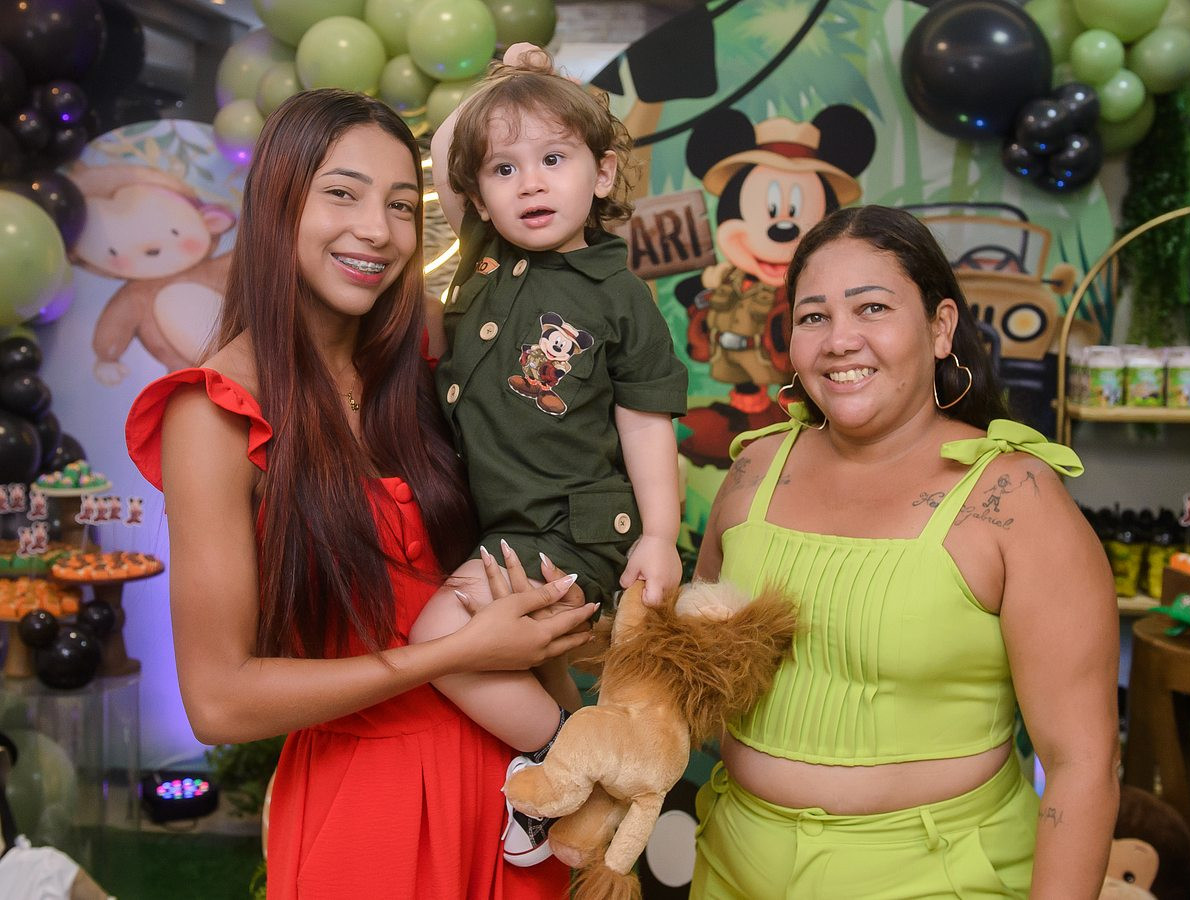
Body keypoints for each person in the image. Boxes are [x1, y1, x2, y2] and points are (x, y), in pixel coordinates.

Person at [124, 89, 597, 899]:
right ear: (276, 204)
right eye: (342, 193)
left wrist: (573, 742)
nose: (377, 230)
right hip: (368, 808)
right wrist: (449, 656)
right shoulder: (214, 412)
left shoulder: (430, 355)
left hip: (518, 794)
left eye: (401, 205)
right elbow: (219, 700)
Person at [690, 205, 1119, 898]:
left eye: (872, 308)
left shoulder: (1015, 498)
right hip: (731, 866)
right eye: (814, 316)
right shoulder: (752, 471)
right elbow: (694, 666)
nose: (840, 341)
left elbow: (1082, 764)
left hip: (939, 877)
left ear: (940, 326)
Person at [413, 45, 688, 864]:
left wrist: (660, 534)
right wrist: (502, 82)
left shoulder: (618, 295)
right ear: (479, 193)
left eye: (553, 160)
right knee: (522, 664)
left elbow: (646, 423)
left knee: (437, 639)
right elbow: (448, 147)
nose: (529, 183)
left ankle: (567, 762)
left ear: (601, 175)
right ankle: (590, 769)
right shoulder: (483, 252)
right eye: (505, 169)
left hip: (572, 528)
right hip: (507, 524)